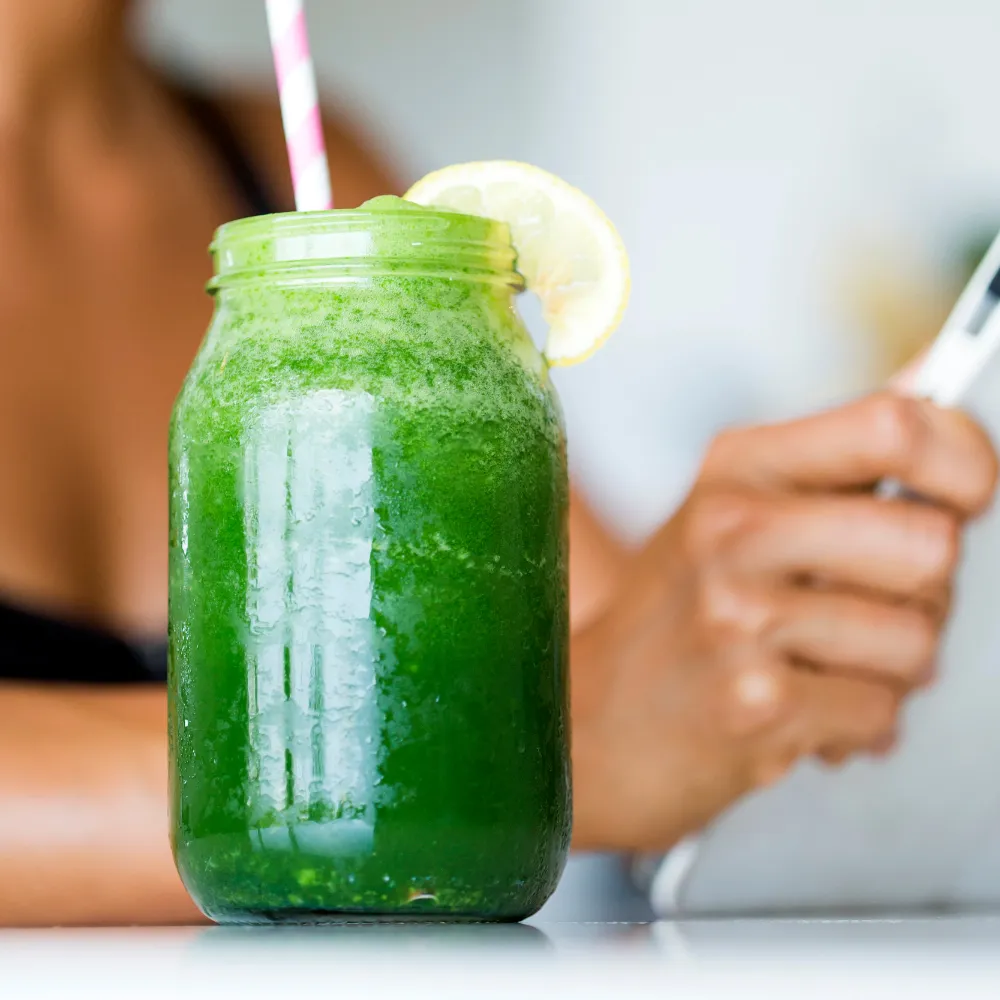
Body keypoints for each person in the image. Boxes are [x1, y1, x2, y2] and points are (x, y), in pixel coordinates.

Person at [0, 0, 995, 926]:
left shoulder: (307, 177)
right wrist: (564, 743)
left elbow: (629, 648)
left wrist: (807, 584)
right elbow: (593, 698)